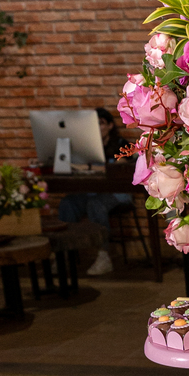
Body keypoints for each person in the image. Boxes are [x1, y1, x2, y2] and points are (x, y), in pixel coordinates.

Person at [58, 108, 135, 276]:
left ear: (110, 125)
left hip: (118, 194)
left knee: (96, 204)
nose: (97, 127)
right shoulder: (86, 147)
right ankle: (64, 256)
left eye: (101, 123)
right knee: (68, 203)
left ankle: (103, 255)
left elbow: (120, 168)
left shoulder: (121, 144)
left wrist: (89, 167)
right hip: (91, 191)